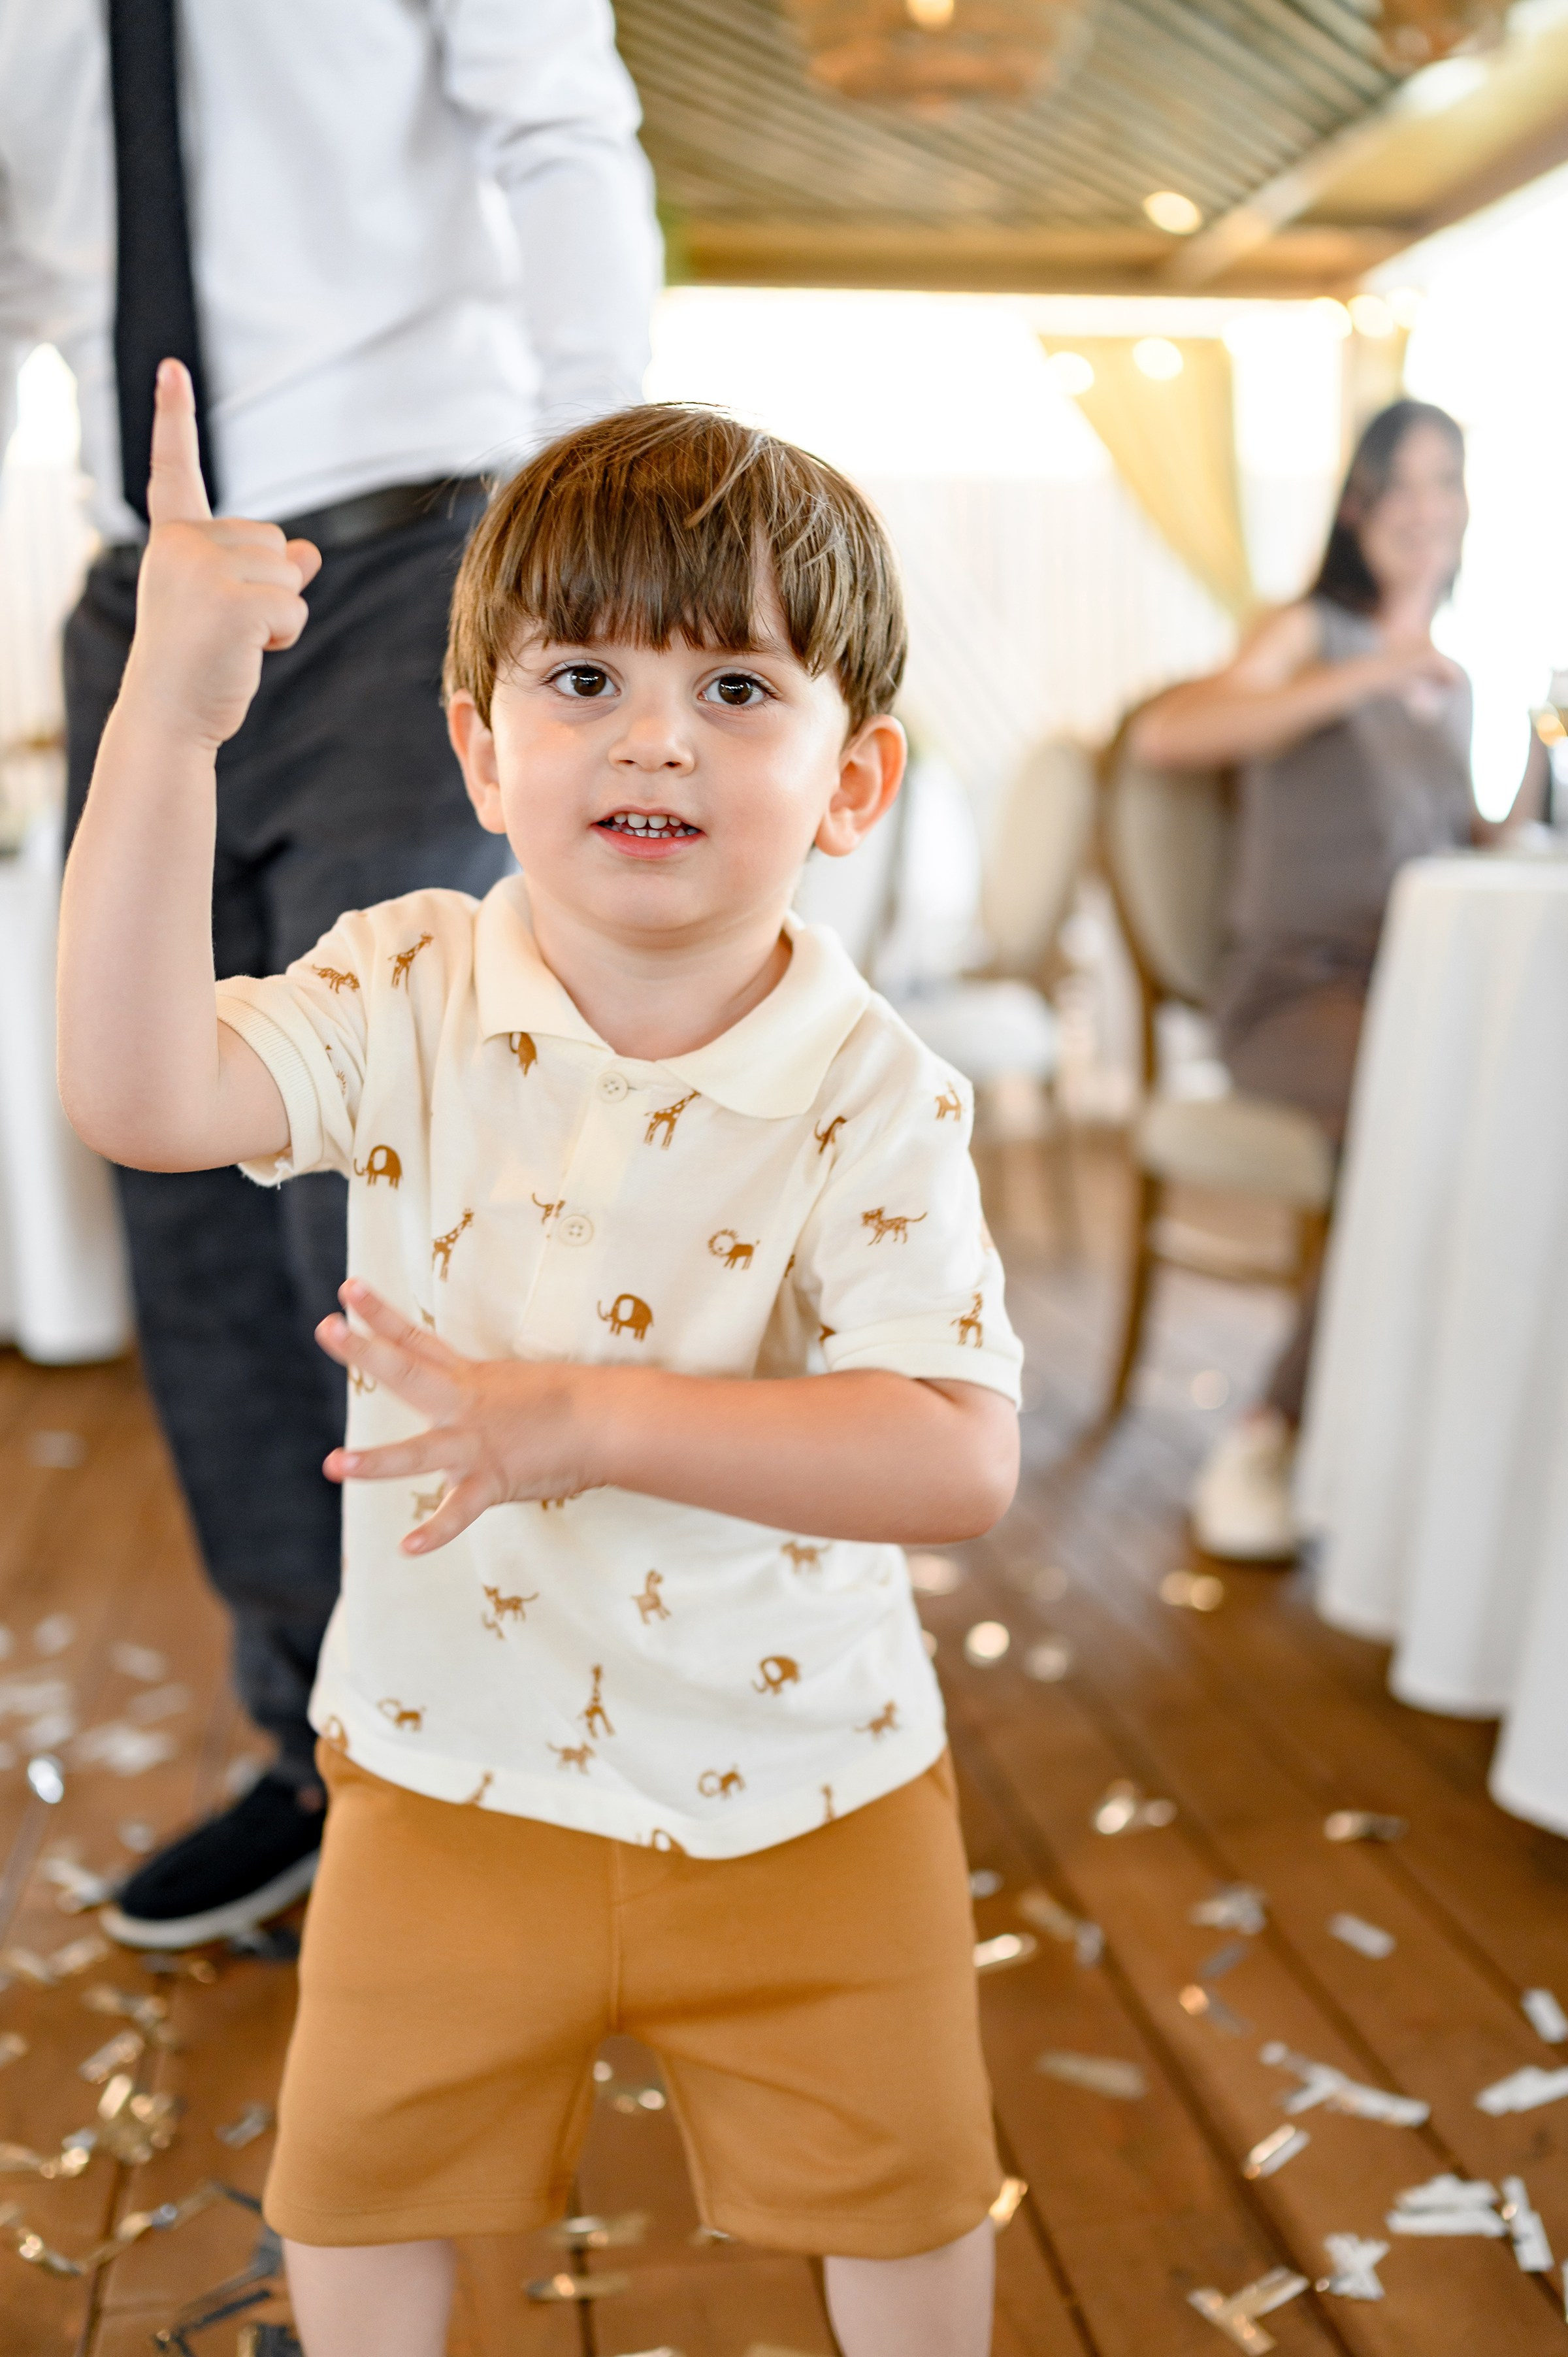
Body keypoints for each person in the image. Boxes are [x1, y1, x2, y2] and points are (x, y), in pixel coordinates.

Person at [57, 371, 1022, 2357]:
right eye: (582, 677)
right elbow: (140, 1091)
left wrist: (581, 1420)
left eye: (737, 690)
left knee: (910, 2200)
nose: (653, 730)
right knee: (355, 2191)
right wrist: (165, 725)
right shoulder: (406, 983)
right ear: (480, 748)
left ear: (855, 781)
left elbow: (955, 1458)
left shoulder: (875, 1094)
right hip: (446, 1767)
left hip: (810, 1796)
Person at [1, 0, 660, 1943]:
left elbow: (562, 133)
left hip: (411, 564)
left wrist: (591, 531)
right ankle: (321, 1756)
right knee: (185, 1218)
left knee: (397, 1218)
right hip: (139, 584)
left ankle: (495, 1758)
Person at [1131, 398, 1543, 1561]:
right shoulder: (1308, 631)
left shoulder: (1456, 686)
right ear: (1359, 509)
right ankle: (1273, 1423)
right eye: (1398, 484)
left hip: (1409, 993)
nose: (1424, 507)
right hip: (1289, 996)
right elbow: (1175, 733)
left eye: (1444, 482)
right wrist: (1370, 676)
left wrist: (1522, 792)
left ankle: (1433, 1439)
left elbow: (1452, 853)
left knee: (1510, 1109)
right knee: (1437, 1116)